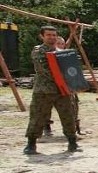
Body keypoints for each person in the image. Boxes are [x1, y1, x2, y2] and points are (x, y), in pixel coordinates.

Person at [23, 26, 81, 154]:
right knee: (37, 117)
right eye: (48, 35)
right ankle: (31, 144)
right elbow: (45, 70)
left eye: (54, 35)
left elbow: (71, 70)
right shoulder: (38, 51)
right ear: (42, 36)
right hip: (44, 91)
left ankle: (72, 142)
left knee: (68, 116)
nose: (52, 37)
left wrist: (74, 77)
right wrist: (65, 79)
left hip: (62, 91)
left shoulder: (62, 52)